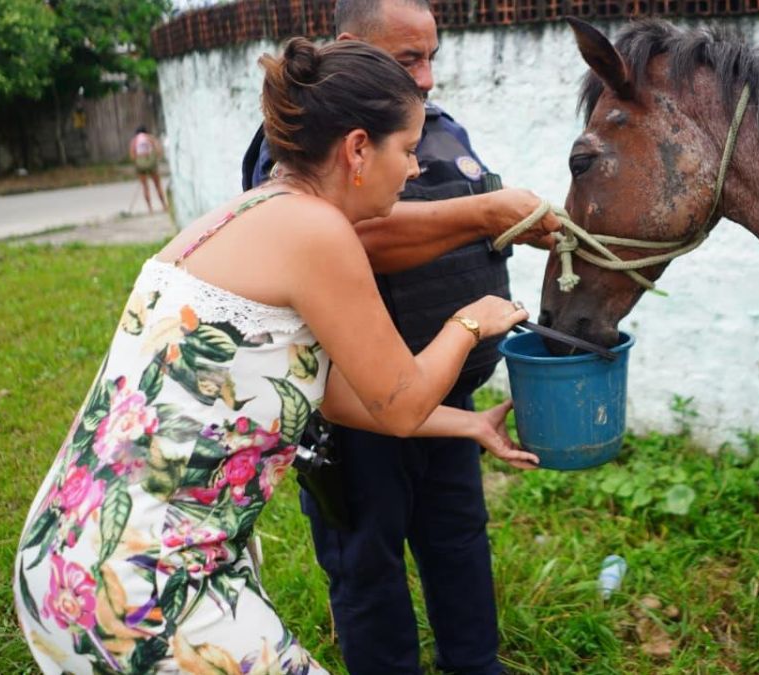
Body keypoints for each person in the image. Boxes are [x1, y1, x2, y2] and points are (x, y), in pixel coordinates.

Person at [13, 38, 539, 674]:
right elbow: (402, 405)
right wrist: (470, 322)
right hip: (143, 584)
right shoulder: (318, 232)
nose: (415, 171)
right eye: (406, 150)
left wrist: (470, 423)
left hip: (67, 552)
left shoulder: (238, 215)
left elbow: (342, 394)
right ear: (356, 150)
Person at [240, 2, 560, 673]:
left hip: (439, 391)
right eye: (409, 58)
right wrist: (481, 216)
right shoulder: (303, 145)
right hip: (356, 413)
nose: (428, 76)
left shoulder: (434, 123)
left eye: (431, 56)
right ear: (354, 46)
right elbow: (342, 240)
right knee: (368, 566)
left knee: (459, 541)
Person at [129, 126, 168, 213]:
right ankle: (164, 206)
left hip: (141, 165)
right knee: (157, 186)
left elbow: (132, 155)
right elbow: (158, 151)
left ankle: (150, 209)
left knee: (145, 187)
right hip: (151, 164)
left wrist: (138, 163)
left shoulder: (135, 140)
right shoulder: (150, 138)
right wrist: (155, 158)